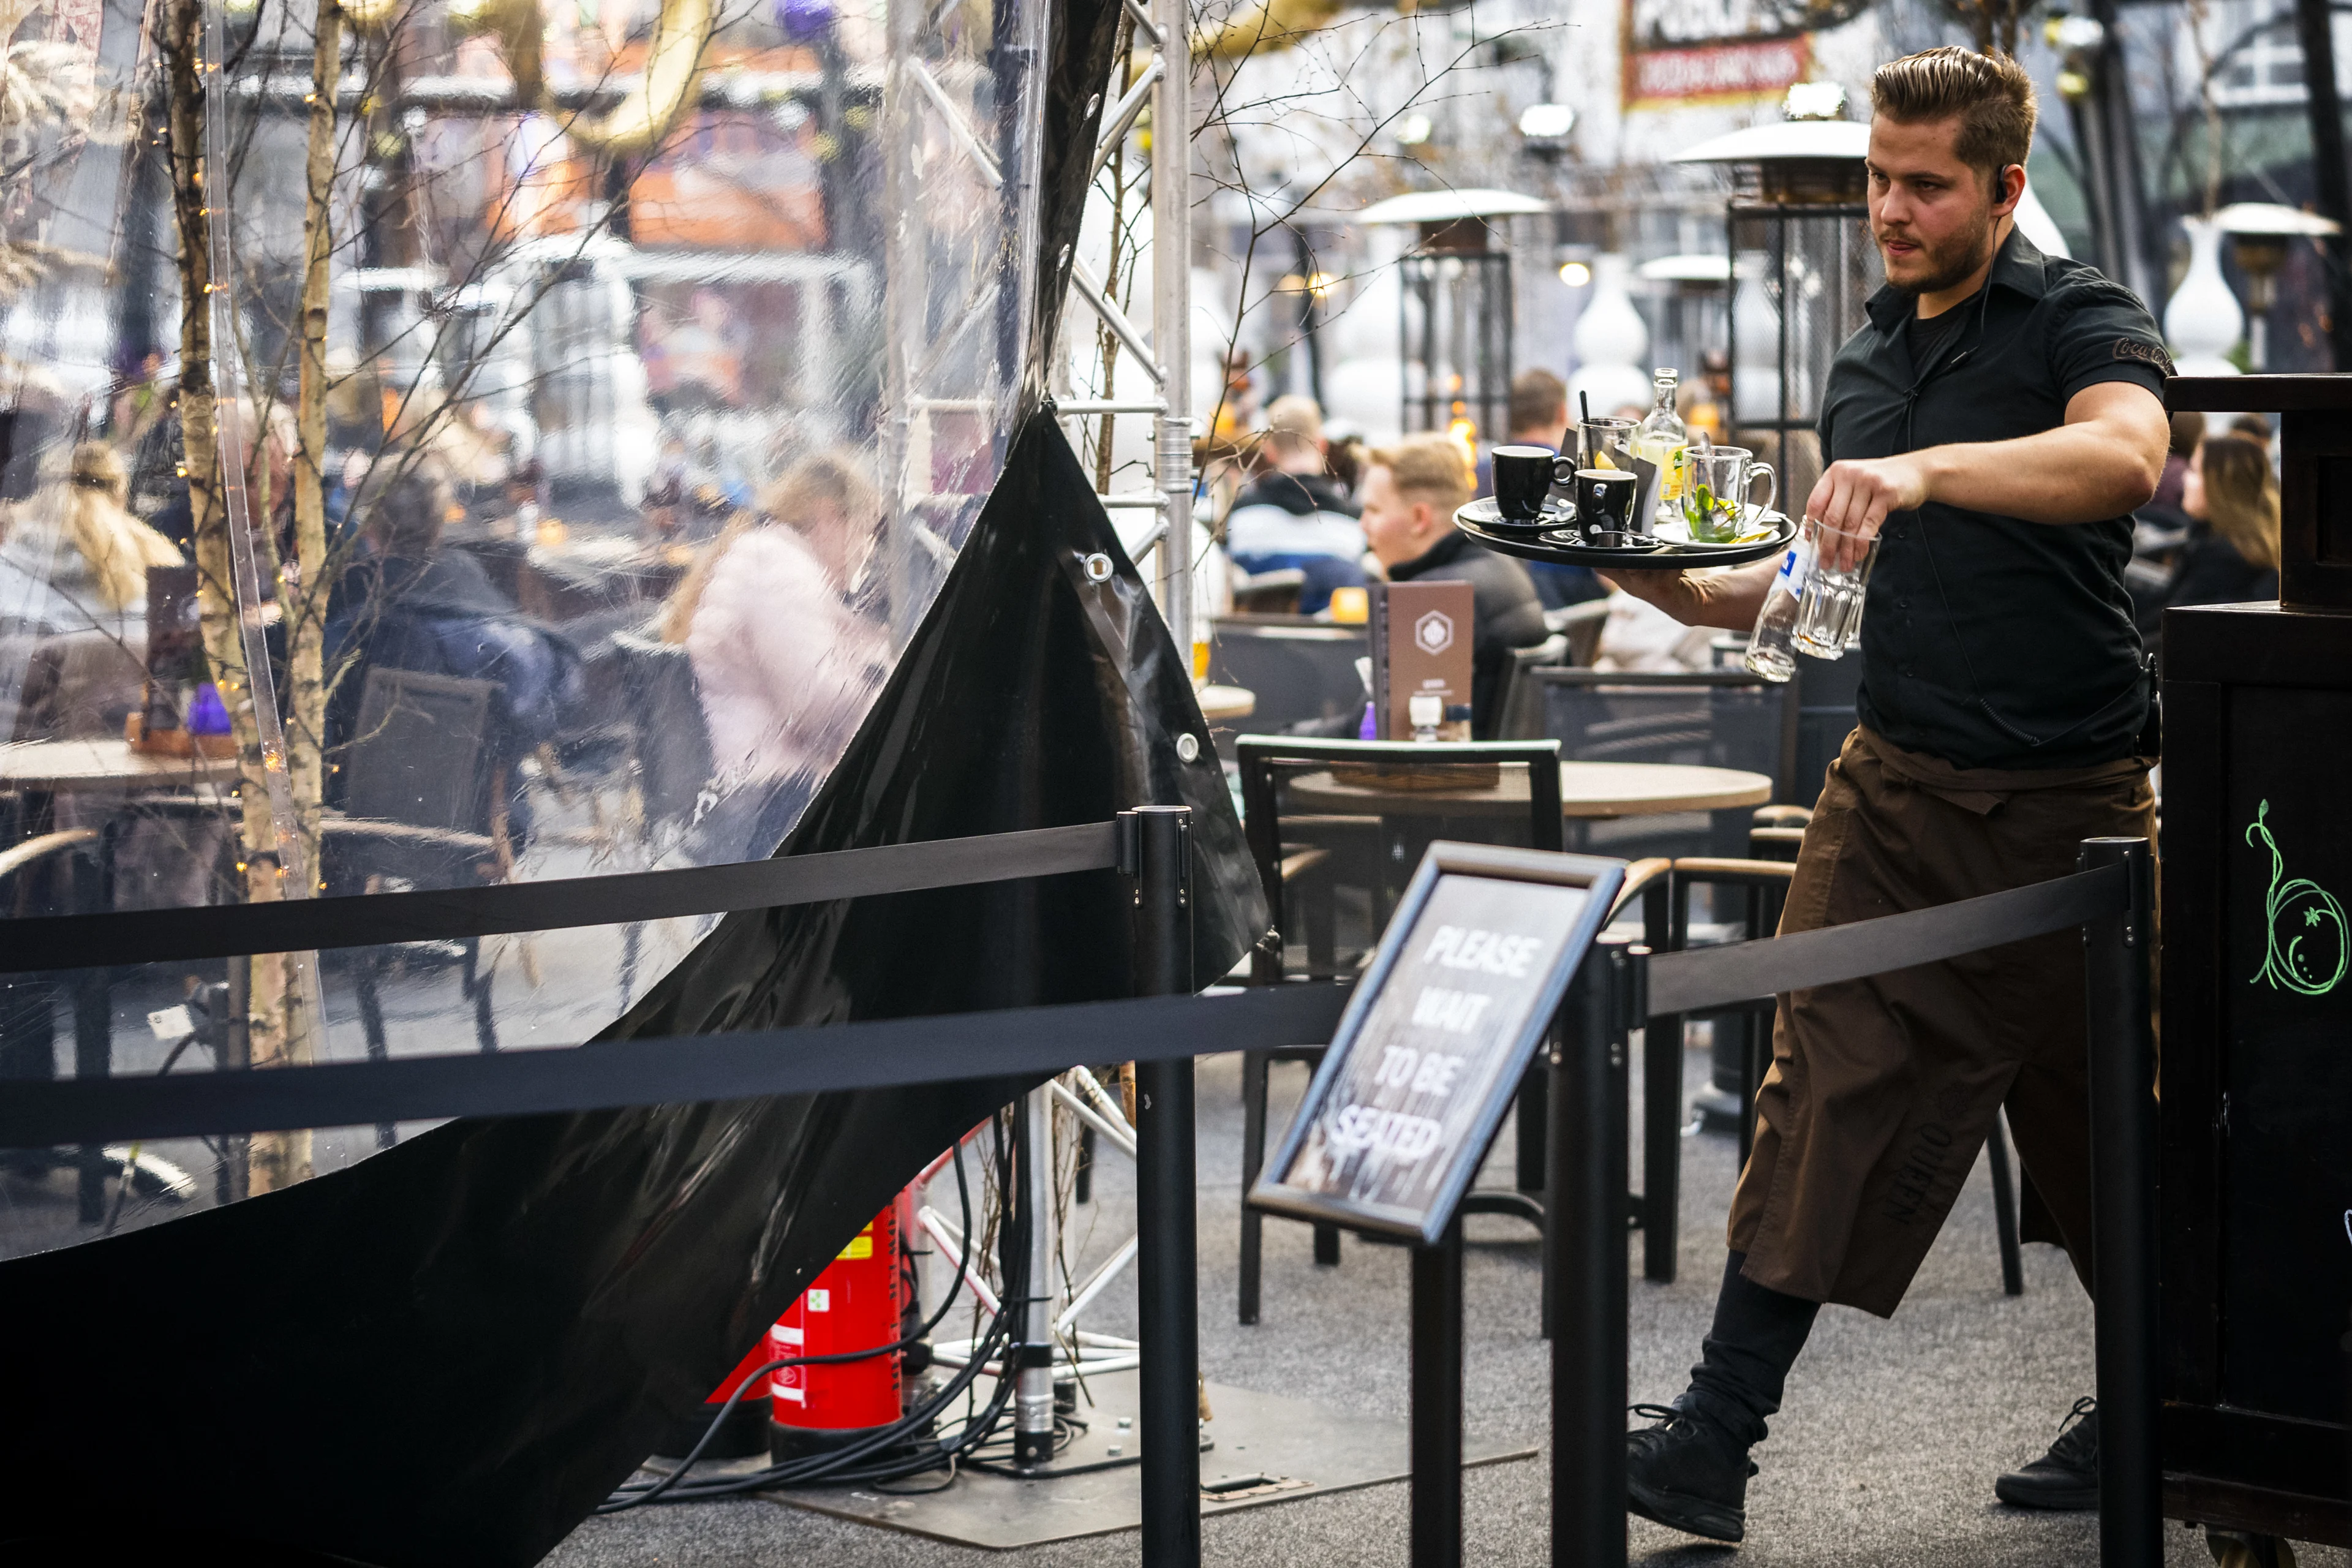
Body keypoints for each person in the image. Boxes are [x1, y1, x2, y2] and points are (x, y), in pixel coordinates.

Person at [1599, 48, 2173, 1544]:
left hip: (2071, 805)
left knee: (2104, 1128)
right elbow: (1791, 590)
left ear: (2003, 186)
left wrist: (1922, 473)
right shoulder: (1864, 360)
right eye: (1878, 178)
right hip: (1894, 784)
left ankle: (2165, 1394)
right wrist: (1627, 564)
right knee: (1819, 1077)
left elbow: (2125, 456)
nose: (1890, 209)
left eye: (1925, 184)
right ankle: (1712, 1440)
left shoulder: (2078, 314)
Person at [326, 454, 582, 853]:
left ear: (370, 525)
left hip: (362, 831)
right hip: (482, 829)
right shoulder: (496, 626)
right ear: (440, 521)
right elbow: (544, 708)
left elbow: (321, 725)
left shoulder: (357, 626)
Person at [662, 451, 888, 859]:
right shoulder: (782, 572)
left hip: (747, 786)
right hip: (772, 797)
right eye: (863, 530)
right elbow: (814, 700)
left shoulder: (763, 554)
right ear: (828, 517)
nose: (865, 551)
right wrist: (890, 692)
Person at [1359, 433, 1548, 734]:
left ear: (1420, 518)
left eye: (1374, 511)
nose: (1362, 523)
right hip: (1500, 772)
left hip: (1448, 777)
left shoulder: (1430, 600)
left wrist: (1285, 736)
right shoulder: (1503, 568)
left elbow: (1376, 729)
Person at [1223, 394, 1368, 614]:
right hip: (1337, 644)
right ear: (1322, 444)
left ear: (1268, 449)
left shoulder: (1241, 517)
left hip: (1258, 644)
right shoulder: (1354, 523)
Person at [1483, 368, 1604, 611]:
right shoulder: (1577, 472)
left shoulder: (1483, 468)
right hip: (1573, 605)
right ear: (1561, 412)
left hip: (1500, 595)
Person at [2162, 432, 2280, 613]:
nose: (2184, 478)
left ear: (2219, 487)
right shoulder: (2237, 547)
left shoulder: (2223, 559)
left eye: (2194, 471)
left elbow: (2169, 619)